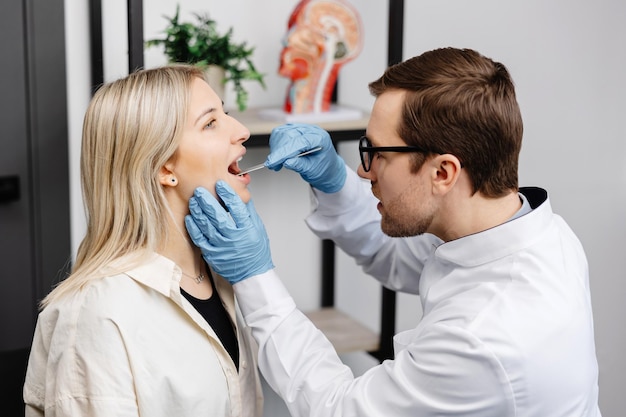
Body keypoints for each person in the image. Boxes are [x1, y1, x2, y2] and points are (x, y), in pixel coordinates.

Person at [185, 47, 602, 416]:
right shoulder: (532, 233)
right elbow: (402, 259)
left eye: (378, 154)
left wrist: (253, 276)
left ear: (443, 172)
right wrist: (334, 182)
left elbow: (337, 408)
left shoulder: (483, 338)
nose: (364, 170)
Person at [23, 65, 264, 416]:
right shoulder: (97, 316)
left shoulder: (220, 272)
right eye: (210, 123)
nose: (241, 131)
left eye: (225, 114)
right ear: (164, 167)